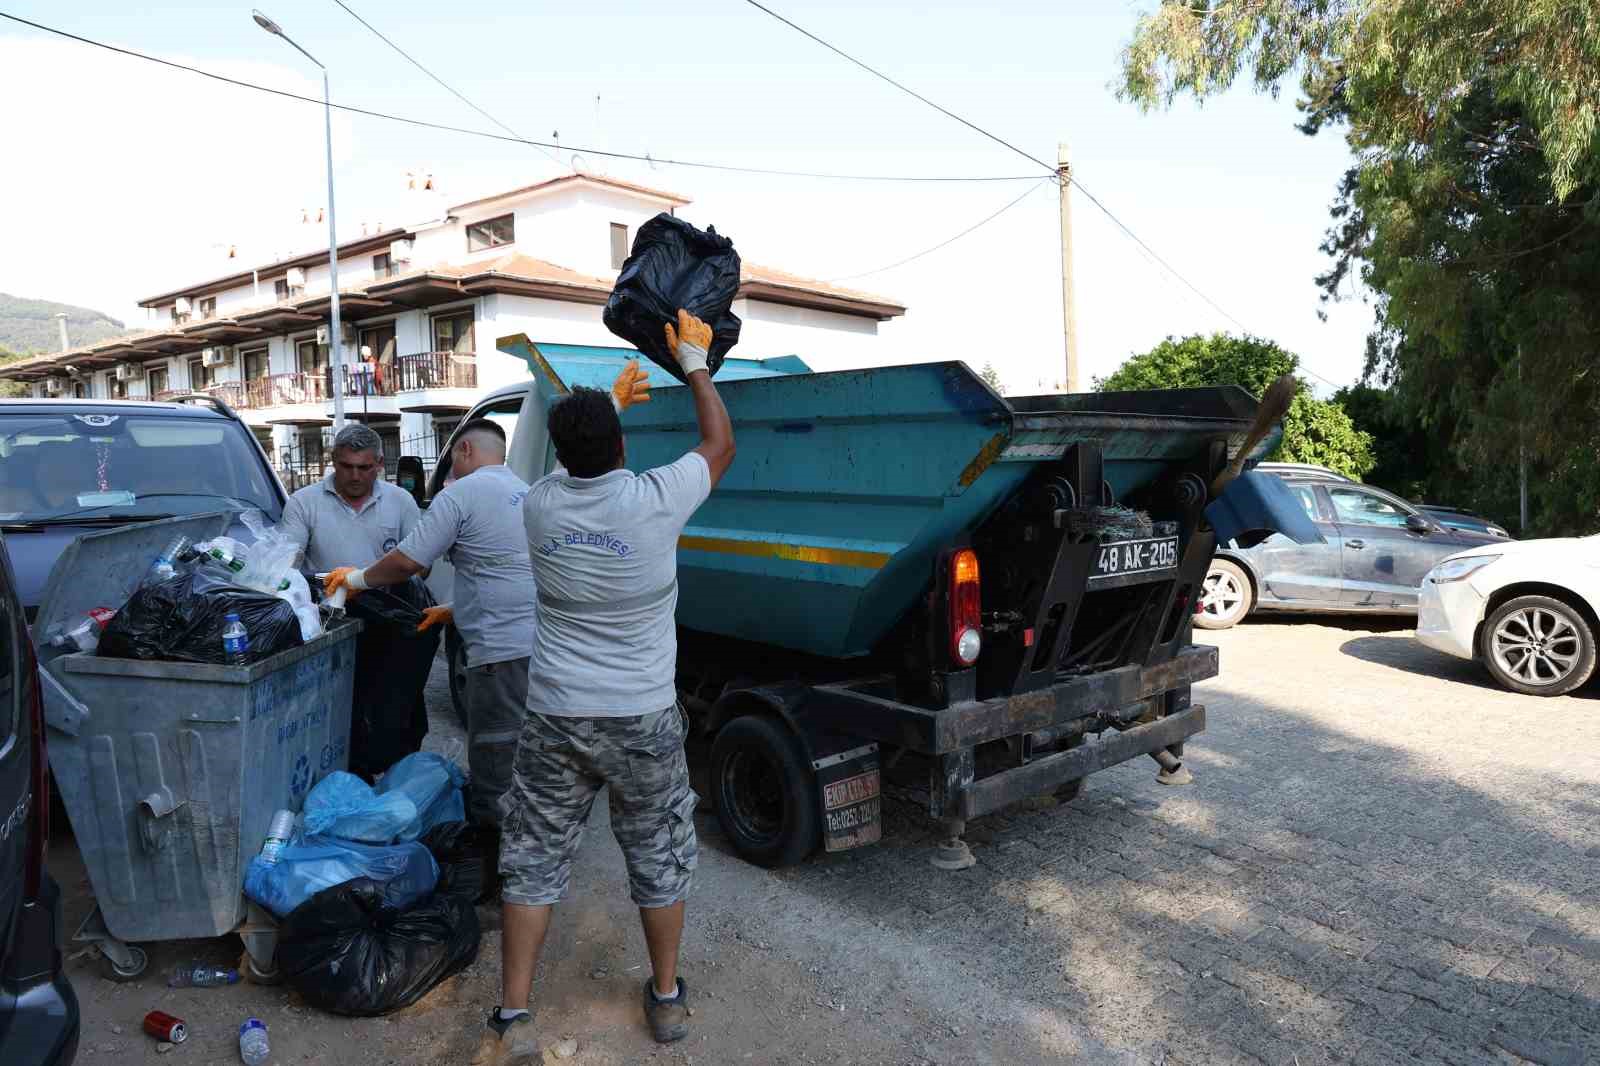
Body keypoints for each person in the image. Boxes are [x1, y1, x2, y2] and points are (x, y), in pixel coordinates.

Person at [474, 312, 733, 1063]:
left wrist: (605, 410)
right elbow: (720, 445)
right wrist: (693, 363)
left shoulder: (539, 508)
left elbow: (570, 461)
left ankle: (515, 1013)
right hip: (640, 716)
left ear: (562, 452)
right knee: (657, 852)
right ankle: (663, 998)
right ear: (622, 450)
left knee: (532, 856)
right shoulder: (655, 501)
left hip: (554, 714)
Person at [279, 423, 420, 573]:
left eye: (364, 468)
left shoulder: (401, 501)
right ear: (333, 460)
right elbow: (286, 566)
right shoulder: (302, 503)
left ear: (380, 464)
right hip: (322, 595)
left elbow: (420, 564)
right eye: (346, 467)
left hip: (388, 596)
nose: (355, 476)